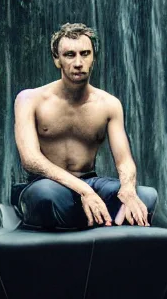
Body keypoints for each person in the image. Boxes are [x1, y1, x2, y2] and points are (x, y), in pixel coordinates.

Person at [13, 23, 157, 230]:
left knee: (146, 196)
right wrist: (84, 192)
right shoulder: (29, 99)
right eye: (70, 55)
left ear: (93, 58)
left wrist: (128, 190)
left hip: (90, 181)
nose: (78, 62)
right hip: (45, 183)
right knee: (45, 196)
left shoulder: (109, 104)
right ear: (57, 60)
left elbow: (124, 160)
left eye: (85, 53)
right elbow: (31, 160)